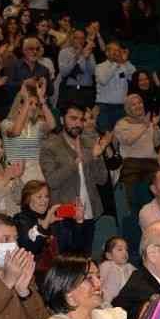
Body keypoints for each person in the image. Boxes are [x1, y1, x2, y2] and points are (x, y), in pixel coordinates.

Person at [39, 105, 112, 257]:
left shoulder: (89, 143)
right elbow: (52, 181)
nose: (78, 123)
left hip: (89, 211)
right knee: (67, 263)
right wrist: (79, 161)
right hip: (64, 213)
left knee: (85, 260)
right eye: (73, 118)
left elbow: (102, 179)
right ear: (61, 119)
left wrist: (97, 157)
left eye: (81, 119)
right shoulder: (50, 146)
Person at [99, 237, 134, 306]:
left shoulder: (129, 267)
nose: (125, 252)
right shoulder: (107, 265)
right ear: (109, 255)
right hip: (107, 302)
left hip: (125, 302)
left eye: (126, 249)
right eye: (120, 249)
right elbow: (99, 281)